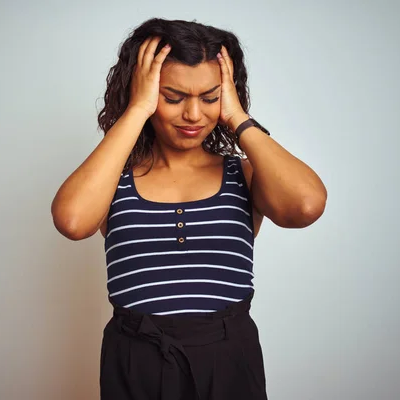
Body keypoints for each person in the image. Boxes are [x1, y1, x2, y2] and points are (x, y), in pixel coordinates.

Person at [51, 17, 327, 400]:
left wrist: (237, 118)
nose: (193, 115)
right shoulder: (113, 181)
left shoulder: (244, 174)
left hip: (229, 358)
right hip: (136, 358)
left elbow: (307, 204)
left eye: (210, 98)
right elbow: (72, 220)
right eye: (173, 97)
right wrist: (136, 110)